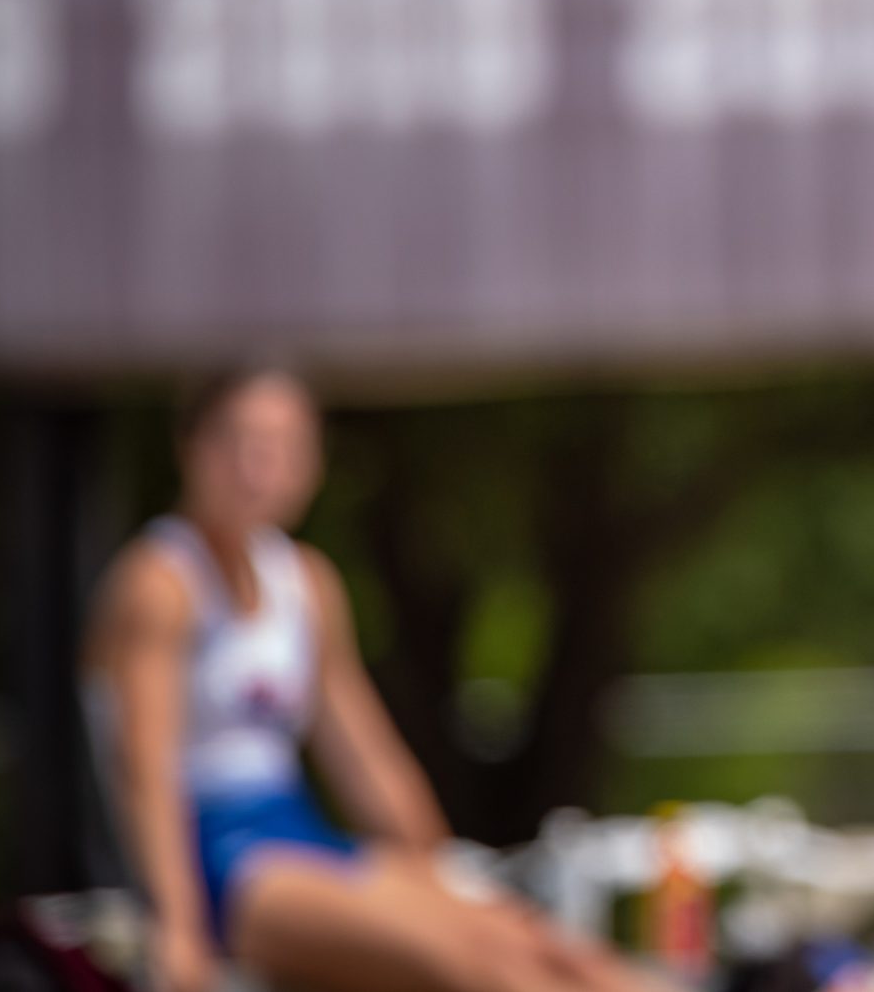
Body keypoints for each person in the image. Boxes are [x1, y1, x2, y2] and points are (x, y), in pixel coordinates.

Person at [84, 365, 670, 992]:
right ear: (191, 447)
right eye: (240, 445)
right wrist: (177, 926)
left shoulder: (304, 581)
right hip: (218, 858)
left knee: (544, 947)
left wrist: (447, 877)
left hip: (297, 831)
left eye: (284, 449)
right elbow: (143, 772)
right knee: (476, 966)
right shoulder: (160, 582)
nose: (260, 469)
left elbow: (368, 761)